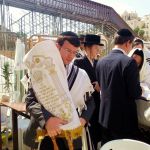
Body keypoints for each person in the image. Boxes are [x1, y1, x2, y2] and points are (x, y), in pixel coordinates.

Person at [23, 31, 95, 150]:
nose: (71, 56)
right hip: (45, 134)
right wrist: (47, 120)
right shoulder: (40, 69)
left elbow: (90, 102)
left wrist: (83, 119)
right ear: (57, 46)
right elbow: (30, 101)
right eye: (67, 50)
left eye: (74, 52)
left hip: (70, 136)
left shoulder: (80, 75)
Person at [96, 29, 142, 145]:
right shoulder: (129, 62)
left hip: (104, 118)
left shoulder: (101, 62)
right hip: (124, 121)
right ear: (127, 43)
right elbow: (135, 93)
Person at [74, 34, 102, 149]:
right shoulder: (79, 62)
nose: (98, 51)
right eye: (96, 48)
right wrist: (92, 86)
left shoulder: (97, 63)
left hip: (98, 104)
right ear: (87, 48)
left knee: (96, 134)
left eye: (99, 48)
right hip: (86, 106)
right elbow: (76, 85)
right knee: (88, 135)